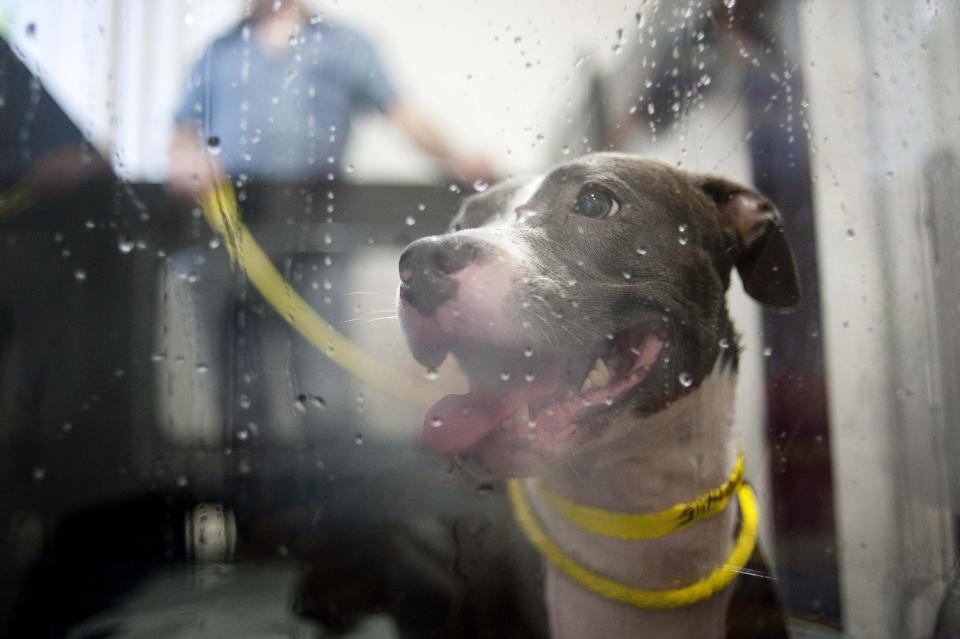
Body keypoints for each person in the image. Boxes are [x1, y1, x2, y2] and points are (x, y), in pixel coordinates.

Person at [167, 0, 494, 197]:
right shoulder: (218, 50)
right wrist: (186, 162)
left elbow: (402, 114)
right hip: (229, 223)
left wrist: (456, 159)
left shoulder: (345, 44)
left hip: (319, 221)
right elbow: (183, 132)